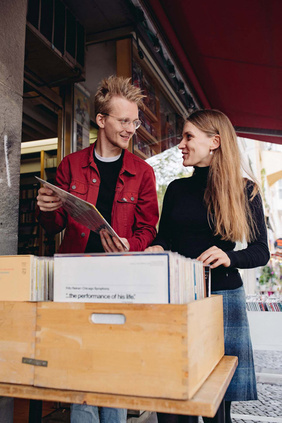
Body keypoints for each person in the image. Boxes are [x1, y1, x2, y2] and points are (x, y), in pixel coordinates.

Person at [36, 75, 159, 423]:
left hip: (121, 280)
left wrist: (128, 245)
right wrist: (45, 209)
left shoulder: (143, 172)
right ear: (102, 120)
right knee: (81, 367)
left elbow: (148, 228)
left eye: (135, 121)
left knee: (113, 369)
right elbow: (54, 226)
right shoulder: (71, 165)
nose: (131, 128)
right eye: (124, 121)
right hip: (75, 279)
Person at [146, 109, 270, 423]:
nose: (181, 144)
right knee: (174, 402)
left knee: (217, 410)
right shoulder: (175, 189)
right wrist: (153, 250)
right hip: (179, 300)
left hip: (223, 300)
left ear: (214, 141)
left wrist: (231, 257)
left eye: (189, 137)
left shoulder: (246, 191)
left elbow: (260, 252)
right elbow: (166, 239)